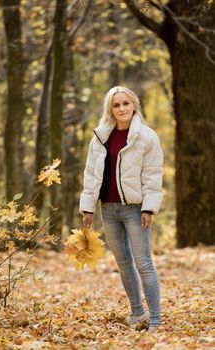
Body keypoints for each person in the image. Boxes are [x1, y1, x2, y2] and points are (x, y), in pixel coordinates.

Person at [79, 86, 164, 332]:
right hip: (109, 209)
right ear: (111, 109)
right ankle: (137, 313)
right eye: (116, 105)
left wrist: (149, 209)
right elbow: (91, 173)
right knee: (123, 264)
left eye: (126, 103)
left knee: (143, 263)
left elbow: (152, 176)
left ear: (134, 105)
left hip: (136, 210)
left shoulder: (147, 137)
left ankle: (156, 320)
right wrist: (88, 208)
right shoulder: (100, 137)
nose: (122, 108)